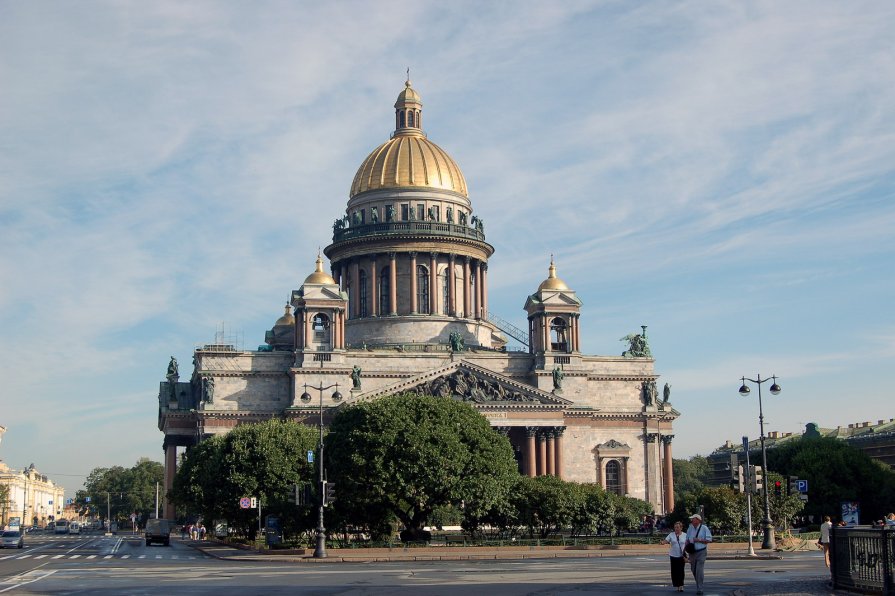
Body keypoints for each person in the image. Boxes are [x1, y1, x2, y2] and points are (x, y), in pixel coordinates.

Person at [686, 513, 712, 595]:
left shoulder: (704, 528)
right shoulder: (690, 528)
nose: (691, 520)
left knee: (699, 570)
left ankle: (700, 588)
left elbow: (709, 540)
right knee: (693, 570)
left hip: (701, 551)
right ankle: (699, 583)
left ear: (697, 520)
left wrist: (699, 540)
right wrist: (684, 550)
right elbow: (687, 539)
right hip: (692, 552)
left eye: (693, 519)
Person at [662, 521, 689, 592]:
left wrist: (687, 554)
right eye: (675, 527)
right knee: (674, 572)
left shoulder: (685, 535)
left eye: (677, 527)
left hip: (681, 556)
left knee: (681, 571)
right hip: (673, 555)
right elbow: (666, 540)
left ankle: (681, 585)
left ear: (681, 528)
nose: (676, 529)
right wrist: (663, 542)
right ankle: (677, 585)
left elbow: (688, 544)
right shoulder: (671, 534)